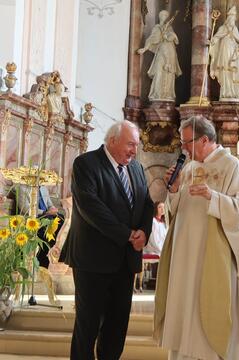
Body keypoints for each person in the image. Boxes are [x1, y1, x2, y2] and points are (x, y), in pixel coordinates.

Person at [154, 115, 239, 360]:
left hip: (214, 257)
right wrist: (175, 189)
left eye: (186, 143)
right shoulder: (188, 167)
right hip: (185, 258)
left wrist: (214, 197)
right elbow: (176, 212)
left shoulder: (232, 166)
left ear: (203, 139)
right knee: (184, 312)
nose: (182, 148)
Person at [60, 120, 154, 360]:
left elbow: (146, 203)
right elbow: (93, 209)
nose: (135, 150)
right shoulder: (86, 164)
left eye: (137, 145)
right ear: (112, 141)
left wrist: (144, 231)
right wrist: (128, 235)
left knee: (117, 326)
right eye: (130, 144)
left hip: (125, 261)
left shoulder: (136, 168)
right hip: (93, 260)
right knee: (88, 325)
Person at [137, 10, 182, 101]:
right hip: (161, 51)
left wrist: (169, 36)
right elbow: (152, 39)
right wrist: (145, 49)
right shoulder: (157, 27)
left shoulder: (169, 27)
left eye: (166, 15)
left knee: (169, 73)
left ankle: (168, 94)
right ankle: (157, 94)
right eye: (162, 14)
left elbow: (176, 40)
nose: (164, 16)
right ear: (159, 16)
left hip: (170, 51)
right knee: (159, 72)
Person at [209, 6, 239, 101]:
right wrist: (212, 41)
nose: (234, 19)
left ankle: (236, 94)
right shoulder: (222, 28)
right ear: (229, 18)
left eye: (234, 17)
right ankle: (225, 93)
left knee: (237, 71)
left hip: (234, 53)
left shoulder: (234, 29)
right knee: (225, 72)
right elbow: (216, 37)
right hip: (225, 52)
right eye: (233, 17)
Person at [17, 184, 64, 268]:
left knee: (62, 219)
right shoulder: (22, 187)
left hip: (48, 216)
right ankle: (42, 262)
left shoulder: (44, 187)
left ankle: (54, 255)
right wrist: (44, 212)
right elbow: (25, 208)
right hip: (34, 217)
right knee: (45, 228)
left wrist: (53, 209)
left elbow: (49, 204)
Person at [134, 201, 167, 292]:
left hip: (160, 248)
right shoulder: (153, 222)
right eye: (160, 207)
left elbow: (165, 238)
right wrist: (162, 249)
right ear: (156, 209)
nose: (162, 209)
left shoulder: (164, 223)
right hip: (152, 248)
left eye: (163, 207)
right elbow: (153, 239)